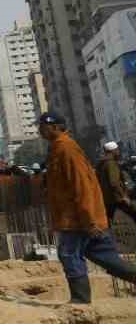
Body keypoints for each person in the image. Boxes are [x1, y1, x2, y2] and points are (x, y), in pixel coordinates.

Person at [39, 112, 136, 303]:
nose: (40, 130)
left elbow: (82, 186)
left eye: (43, 126)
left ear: (55, 126)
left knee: (69, 253)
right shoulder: (57, 148)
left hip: (77, 218)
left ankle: (80, 300)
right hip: (82, 216)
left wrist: (89, 219)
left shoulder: (66, 149)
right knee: (103, 254)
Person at [97, 141, 136, 227]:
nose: (118, 152)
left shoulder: (101, 164)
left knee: (107, 221)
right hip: (117, 197)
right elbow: (114, 182)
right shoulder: (111, 163)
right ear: (113, 151)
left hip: (107, 198)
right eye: (117, 150)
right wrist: (123, 196)